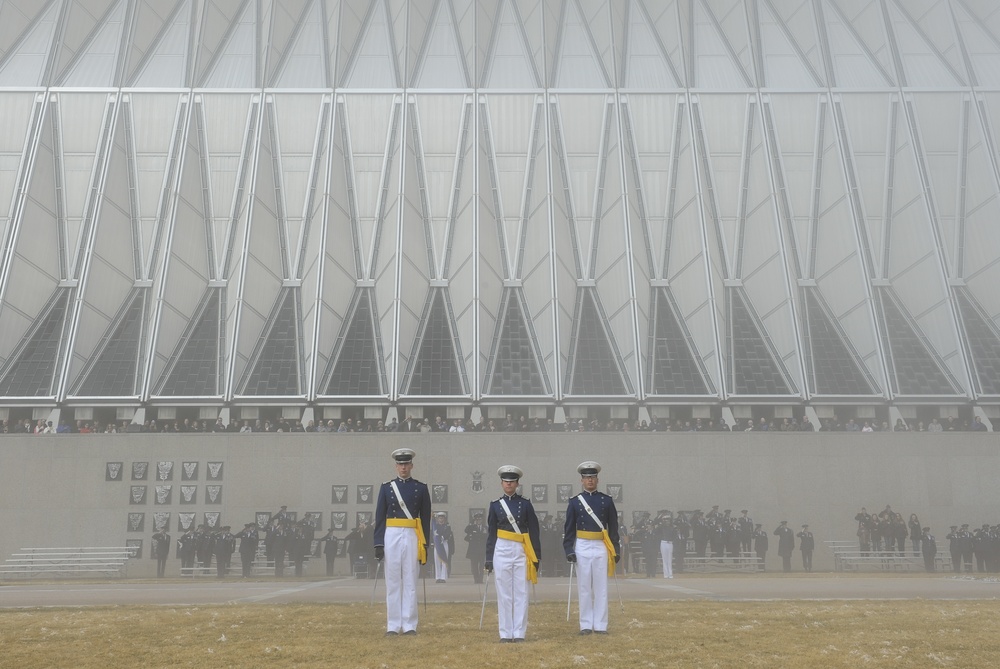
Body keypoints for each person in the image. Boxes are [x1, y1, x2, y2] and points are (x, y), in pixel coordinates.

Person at [373, 448, 431, 636]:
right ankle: (392, 624)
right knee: (392, 580)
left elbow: (426, 518)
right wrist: (378, 543)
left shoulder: (421, 488)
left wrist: (425, 544)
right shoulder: (386, 487)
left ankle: (409, 624)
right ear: (396, 466)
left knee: (410, 578)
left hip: (412, 533)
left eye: (406, 464)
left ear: (411, 465)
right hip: (392, 533)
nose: (403, 467)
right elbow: (380, 517)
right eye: (400, 464)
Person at [563, 461, 620, 635]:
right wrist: (569, 550)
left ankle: (601, 624)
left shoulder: (607, 501)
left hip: (601, 545)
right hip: (582, 545)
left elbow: (613, 528)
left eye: (592, 477)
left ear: (597, 479)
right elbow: (569, 529)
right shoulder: (574, 502)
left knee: (601, 587)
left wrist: (615, 549)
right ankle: (586, 624)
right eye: (586, 477)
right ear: (581, 480)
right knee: (584, 587)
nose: (589, 480)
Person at [486, 465, 540, 643]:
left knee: (521, 592)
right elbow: (492, 533)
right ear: (501, 483)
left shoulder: (525, 504)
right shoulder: (495, 505)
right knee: (504, 592)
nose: (509, 484)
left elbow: (534, 531)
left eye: (512, 481)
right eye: (506, 481)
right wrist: (488, 557)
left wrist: (536, 556)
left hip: (521, 549)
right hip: (501, 548)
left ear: (517, 483)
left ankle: (519, 633)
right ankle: (505, 633)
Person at [464, 512, 488, 583]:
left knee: (481, 566)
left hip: (482, 550)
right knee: (474, 566)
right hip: (474, 550)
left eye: (480, 519)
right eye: (477, 519)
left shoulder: (485, 528)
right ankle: (476, 579)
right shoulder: (472, 527)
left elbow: (487, 537)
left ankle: (480, 579)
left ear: (482, 520)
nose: (478, 521)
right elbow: (466, 530)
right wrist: (471, 522)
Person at [431, 512, 454, 583]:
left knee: (444, 560)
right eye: (439, 518)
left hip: (444, 543)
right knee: (437, 560)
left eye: (442, 518)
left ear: (444, 518)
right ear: (437, 519)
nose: (441, 519)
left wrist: (443, 537)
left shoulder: (447, 526)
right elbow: (433, 534)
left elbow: (448, 534)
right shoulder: (435, 526)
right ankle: (438, 577)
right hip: (437, 544)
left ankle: (443, 577)